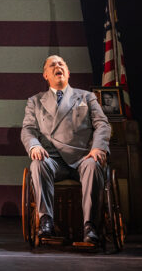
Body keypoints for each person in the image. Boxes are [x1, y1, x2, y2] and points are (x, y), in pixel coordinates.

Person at [21, 55, 111, 244]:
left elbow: (102, 124)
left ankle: (91, 226)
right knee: (37, 164)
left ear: (68, 73)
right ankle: (46, 221)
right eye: (52, 65)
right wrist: (34, 145)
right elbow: (28, 129)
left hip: (82, 157)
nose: (57, 67)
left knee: (93, 165)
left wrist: (97, 148)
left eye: (61, 64)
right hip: (54, 160)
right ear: (45, 75)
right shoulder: (35, 101)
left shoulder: (86, 97)